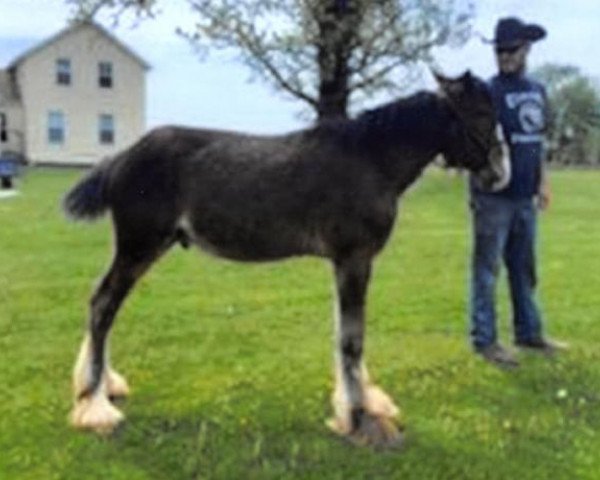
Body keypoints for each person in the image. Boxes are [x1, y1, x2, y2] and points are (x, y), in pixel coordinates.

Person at [470, 17, 566, 367]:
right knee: (486, 271)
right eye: (499, 50)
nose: (504, 56)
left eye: (511, 50)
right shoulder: (486, 92)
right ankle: (485, 341)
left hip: (525, 196)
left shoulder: (538, 91)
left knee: (524, 268)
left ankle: (529, 333)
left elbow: (537, 141)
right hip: (493, 197)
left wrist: (544, 182)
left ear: (526, 49)